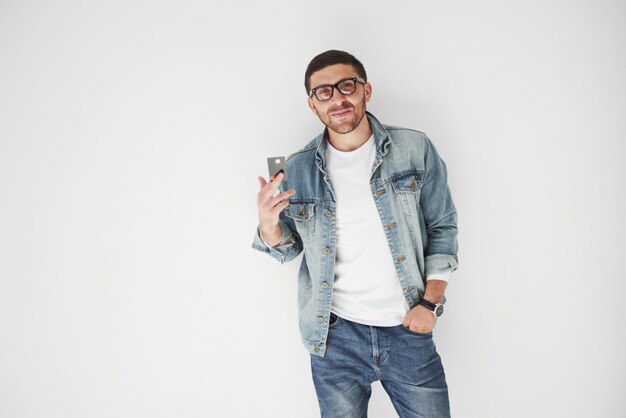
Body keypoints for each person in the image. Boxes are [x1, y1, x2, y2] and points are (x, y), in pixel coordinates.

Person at [252, 50, 458, 418]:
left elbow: (442, 225)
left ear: (366, 90)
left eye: (347, 86)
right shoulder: (297, 168)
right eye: (324, 92)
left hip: (408, 329)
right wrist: (268, 224)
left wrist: (430, 304)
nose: (338, 98)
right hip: (335, 338)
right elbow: (287, 250)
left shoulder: (414, 148)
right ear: (312, 106)